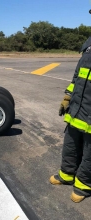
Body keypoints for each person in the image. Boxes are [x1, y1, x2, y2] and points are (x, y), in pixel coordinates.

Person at [50, 38, 91, 203]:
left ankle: (84, 184)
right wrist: (68, 96)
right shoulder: (88, 45)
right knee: (70, 144)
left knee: (89, 152)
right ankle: (66, 174)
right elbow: (77, 77)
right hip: (77, 108)